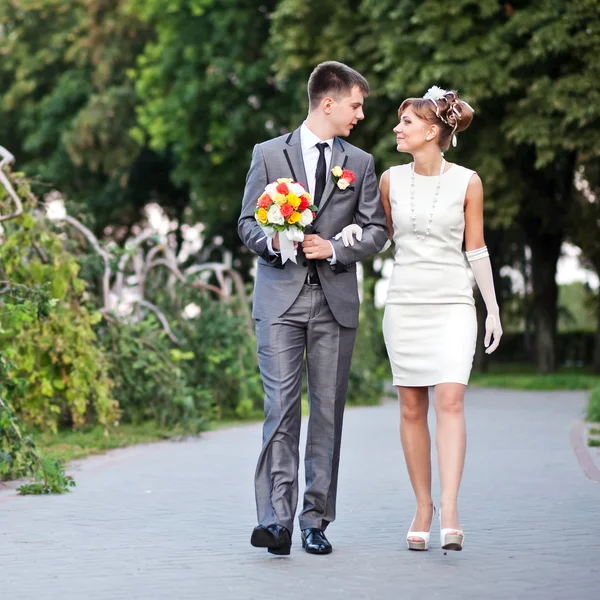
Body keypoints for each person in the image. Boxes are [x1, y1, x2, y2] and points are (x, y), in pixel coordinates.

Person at [340, 86, 502, 551]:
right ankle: (423, 506)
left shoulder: (468, 181)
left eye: (405, 122)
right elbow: (382, 238)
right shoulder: (389, 179)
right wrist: (354, 234)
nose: (396, 128)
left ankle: (450, 509)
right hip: (405, 302)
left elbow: (476, 247)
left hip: (453, 303)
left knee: (450, 400)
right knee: (412, 407)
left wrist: (491, 308)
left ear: (431, 131)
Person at [238, 61, 388, 556]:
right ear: (329, 102)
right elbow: (246, 224)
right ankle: (276, 521)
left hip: (334, 303)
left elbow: (377, 231)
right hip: (279, 299)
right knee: (279, 410)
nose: (360, 114)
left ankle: (315, 519)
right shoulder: (267, 154)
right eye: (355, 104)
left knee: (327, 413)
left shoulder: (361, 164)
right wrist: (276, 242)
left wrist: (337, 249)